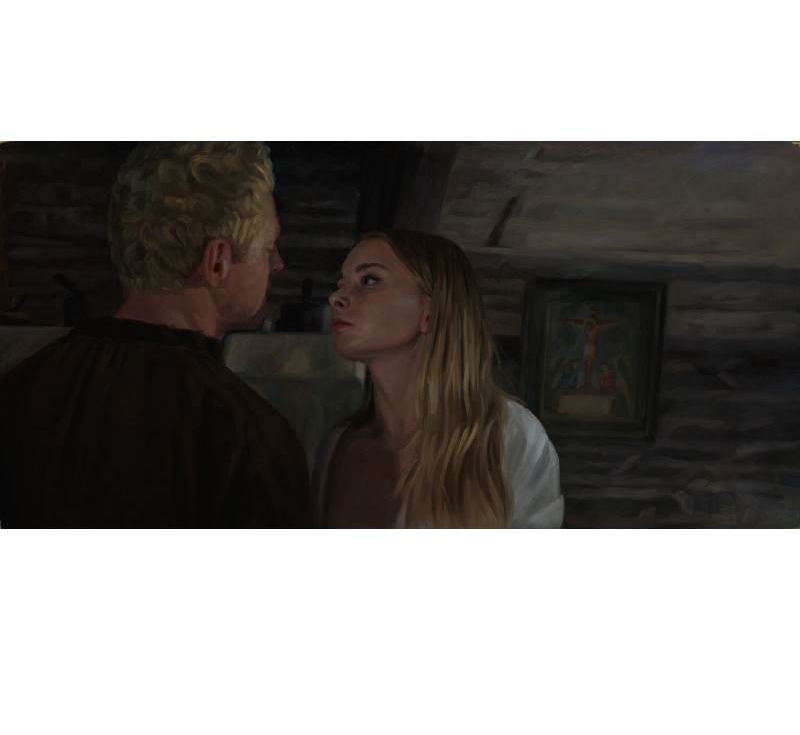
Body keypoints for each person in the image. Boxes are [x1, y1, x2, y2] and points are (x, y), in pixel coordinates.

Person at [0, 142, 310, 528]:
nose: (278, 264)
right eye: (268, 248)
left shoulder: (18, 391)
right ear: (217, 262)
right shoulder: (250, 436)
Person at [313, 229, 563, 528]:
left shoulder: (511, 437)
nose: (336, 297)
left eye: (369, 280)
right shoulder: (337, 446)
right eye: (340, 284)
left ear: (429, 313)